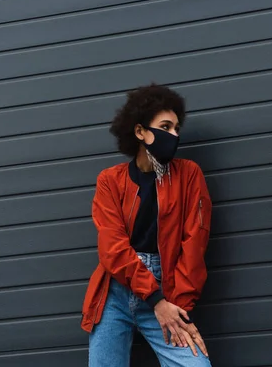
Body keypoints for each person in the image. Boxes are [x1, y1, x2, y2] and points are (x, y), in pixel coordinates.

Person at [81, 84, 213, 367]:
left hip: (168, 290)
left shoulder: (188, 175)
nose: (174, 135)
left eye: (177, 128)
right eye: (165, 126)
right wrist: (156, 301)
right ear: (140, 132)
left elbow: (194, 246)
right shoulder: (110, 181)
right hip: (114, 292)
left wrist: (176, 308)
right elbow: (112, 247)